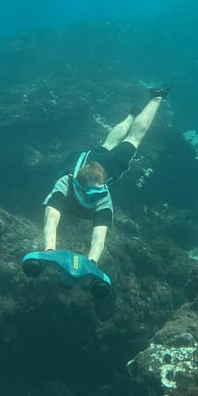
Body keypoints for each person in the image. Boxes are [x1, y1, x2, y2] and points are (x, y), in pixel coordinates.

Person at [42, 86, 171, 266]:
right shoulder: (65, 183)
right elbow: (51, 220)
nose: (95, 196)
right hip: (83, 159)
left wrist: (92, 262)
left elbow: (99, 237)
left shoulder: (103, 196)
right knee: (116, 142)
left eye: (99, 191)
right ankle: (137, 111)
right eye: (91, 193)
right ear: (77, 185)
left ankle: (154, 99)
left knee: (131, 139)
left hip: (107, 164)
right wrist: (49, 250)